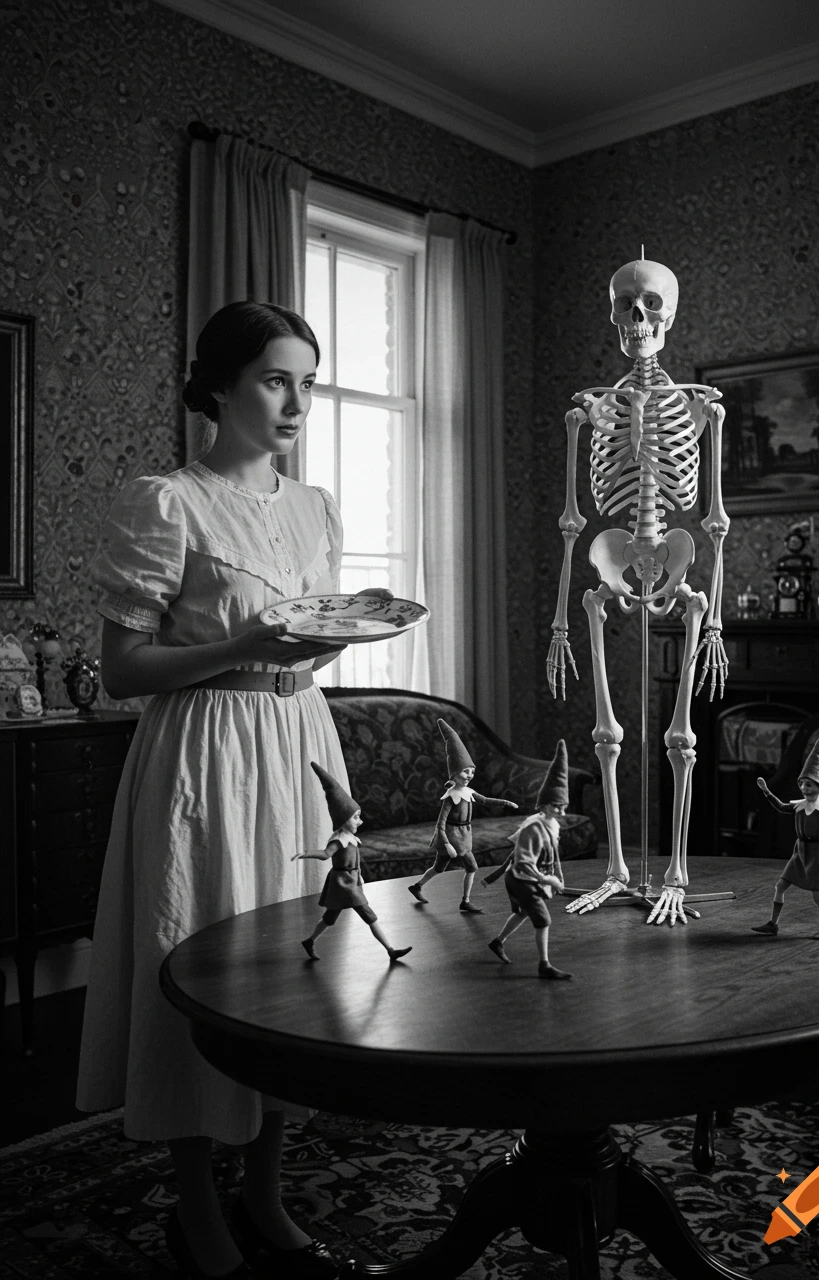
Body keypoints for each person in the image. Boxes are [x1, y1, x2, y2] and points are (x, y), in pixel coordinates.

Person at [76, 301, 349, 1279]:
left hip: (297, 737)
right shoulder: (168, 501)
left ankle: (268, 1192)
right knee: (199, 958)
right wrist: (241, 644)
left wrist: (322, 643)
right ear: (222, 385)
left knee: (299, 970)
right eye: (278, 379)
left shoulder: (315, 508)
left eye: (307, 382)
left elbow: (313, 627)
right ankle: (197, 1209)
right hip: (205, 749)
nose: (296, 402)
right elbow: (121, 670)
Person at [296, 761, 412, 962]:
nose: (360, 821)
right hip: (343, 884)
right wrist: (306, 853)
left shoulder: (351, 838)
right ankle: (390, 950)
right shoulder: (339, 839)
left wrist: (360, 879)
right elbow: (325, 854)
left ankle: (310, 940)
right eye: (356, 817)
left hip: (351, 881)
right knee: (369, 915)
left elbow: (355, 863)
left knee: (330, 918)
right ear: (343, 819)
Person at [407, 719, 518, 913]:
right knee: (441, 868)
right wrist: (448, 844)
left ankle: (463, 899)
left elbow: (485, 800)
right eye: (465, 771)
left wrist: (505, 803)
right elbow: (440, 825)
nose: (469, 775)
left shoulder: (469, 792)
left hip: (465, 835)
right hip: (451, 835)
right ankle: (420, 887)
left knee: (470, 867)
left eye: (472, 771)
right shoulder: (450, 798)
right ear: (454, 774)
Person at [483, 740, 572, 979]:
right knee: (543, 921)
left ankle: (498, 942)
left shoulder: (552, 823)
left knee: (523, 913)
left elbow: (553, 855)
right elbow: (523, 863)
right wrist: (549, 880)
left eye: (564, 807)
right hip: (521, 879)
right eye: (557, 807)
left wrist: (558, 877)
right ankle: (544, 965)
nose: (562, 813)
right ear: (543, 804)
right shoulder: (534, 828)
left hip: (530, 877)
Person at [751, 718, 819, 940]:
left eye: (809, 784)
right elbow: (782, 807)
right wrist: (766, 792)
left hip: (817, 853)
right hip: (799, 851)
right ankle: (773, 924)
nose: (804, 788)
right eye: (802, 784)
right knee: (780, 885)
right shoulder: (800, 806)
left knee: (817, 895)